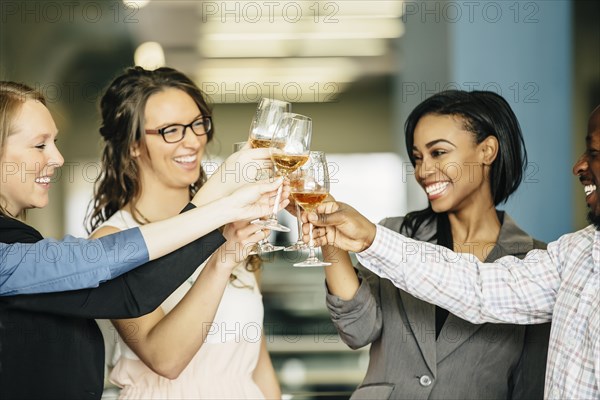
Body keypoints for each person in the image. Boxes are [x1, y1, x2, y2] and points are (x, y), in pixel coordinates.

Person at [0, 80, 288, 400]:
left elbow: (129, 287)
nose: (58, 158)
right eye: (40, 145)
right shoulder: (11, 254)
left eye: (197, 124)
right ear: (134, 145)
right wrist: (225, 208)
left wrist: (225, 203)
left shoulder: (21, 242)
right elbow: (120, 278)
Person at [306, 104, 600, 400]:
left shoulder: (535, 259)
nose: (423, 170)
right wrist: (331, 234)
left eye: (438, 153)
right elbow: (358, 329)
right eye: (418, 157)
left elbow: (529, 384)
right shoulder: (396, 236)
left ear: (487, 151)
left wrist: (369, 237)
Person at [88, 66, 281, 399]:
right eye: (170, 130)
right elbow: (166, 358)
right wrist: (220, 262)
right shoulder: (111, 242)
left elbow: (257, 363)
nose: (192, 140)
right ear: (133, 145)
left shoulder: (232, 226)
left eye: (197, 124)